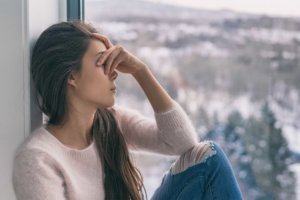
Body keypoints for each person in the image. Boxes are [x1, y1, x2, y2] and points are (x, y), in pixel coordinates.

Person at [12, 21, 243, 200]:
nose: (114, 73)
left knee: (210, 157)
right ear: (72, 76)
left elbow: (183, 144)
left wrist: (141, 71)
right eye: (103, 63)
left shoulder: (111, 122)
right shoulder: (38, 158)